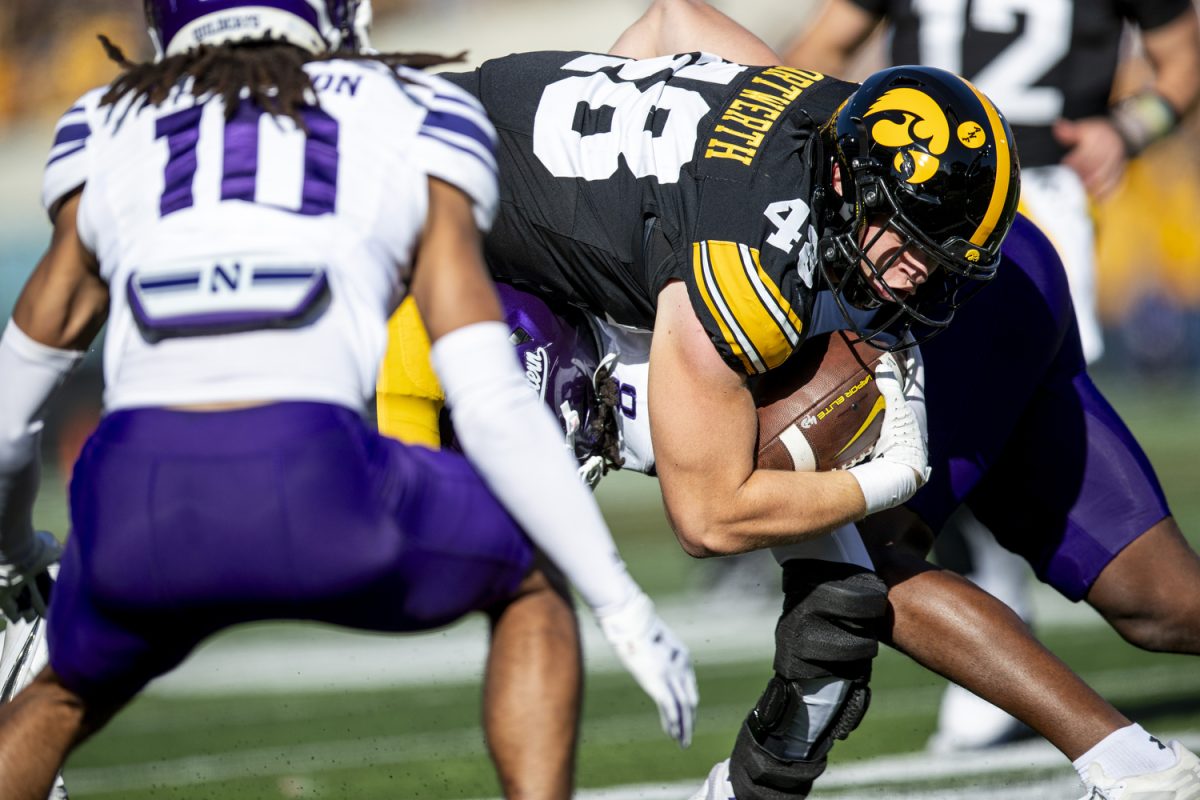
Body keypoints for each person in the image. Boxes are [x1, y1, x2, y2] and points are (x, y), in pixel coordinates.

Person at [0, 2, 699, 798]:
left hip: (134, 496)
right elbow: (488, 393)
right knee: (530, 576)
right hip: (314, 476)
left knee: (58, 696)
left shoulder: (107, 124)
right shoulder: (409, 108)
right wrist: (620, 600)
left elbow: (8, 413)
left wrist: (15, 558)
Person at [377, 0, 1023, 795]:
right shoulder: (747, 270)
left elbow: (668, 21)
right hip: (408, 216)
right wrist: (888, 478)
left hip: (454, 130)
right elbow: (708, 519)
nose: (919, 275)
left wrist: (602, 200)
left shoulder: (813, 102)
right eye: (910, 241)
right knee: (462, 530)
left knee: (840, 585)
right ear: (854, 182)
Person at [785, 0, 1200, 751]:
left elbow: (1184, 59)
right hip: (927, 217)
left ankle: (1114, 752)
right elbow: (813, 55)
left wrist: (1129, 129)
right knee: (1164, 604)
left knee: (865, 542)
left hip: (992, 225)